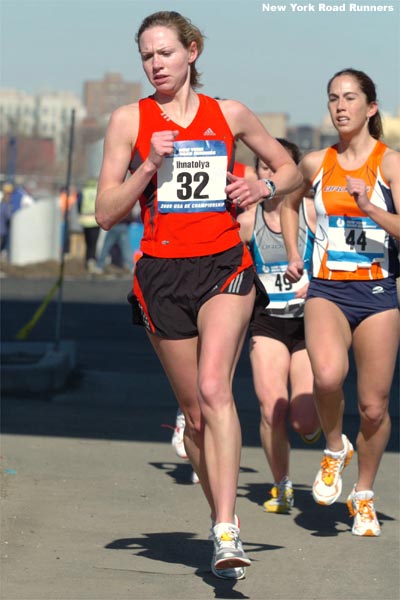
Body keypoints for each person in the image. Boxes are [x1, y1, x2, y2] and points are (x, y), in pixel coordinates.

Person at [95, 10, 302, 580]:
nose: (155, 64)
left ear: (192, 52)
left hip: (222, 266)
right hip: (161, 275)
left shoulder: (227, 113)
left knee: (216, 389)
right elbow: (105, 213)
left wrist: (261, 184)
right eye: (146, 56)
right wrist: (148, 167)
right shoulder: (127, 121)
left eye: (164, 52)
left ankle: (228, 529)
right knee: (195, 415)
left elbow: (292, 168)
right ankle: (219, 520)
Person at [281, 68, 400, 537]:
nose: (340, 106)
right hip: (327, 288)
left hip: (377, 292)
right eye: (333, 98)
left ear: (371, 107)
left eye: (350, 97)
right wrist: (294, 251)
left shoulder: (389, 164)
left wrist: (371, 208)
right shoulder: (314, 163)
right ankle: (335, 449)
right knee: (327, 376)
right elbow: (288, 203)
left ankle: (364, 494)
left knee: (374, 407)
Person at [237, 139, 320, 514]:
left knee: (303, 421)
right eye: (263, 167)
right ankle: (281, 484)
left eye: (276, 167)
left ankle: (319, 422)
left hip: (308, 323)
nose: (269, 174)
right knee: (272, 407)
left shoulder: (310, 211)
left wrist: (315, 282)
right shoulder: (248, 218)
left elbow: (335, 254)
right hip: (266, 322)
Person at [78, 179, 100, 273]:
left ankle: (87, 260)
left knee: (87, 242)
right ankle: (92, 261)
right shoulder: (98, 191)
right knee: (94, 243)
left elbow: (79, 205)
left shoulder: (83, 192)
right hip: (95, 221)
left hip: (85, 221)